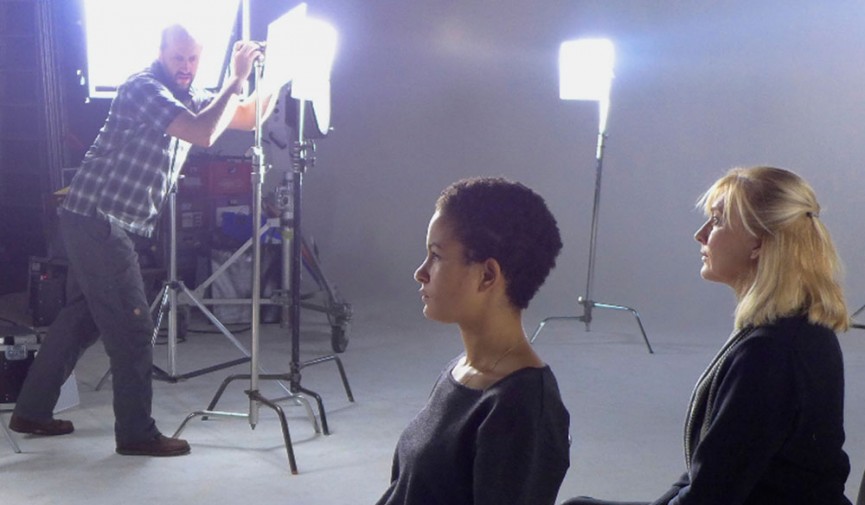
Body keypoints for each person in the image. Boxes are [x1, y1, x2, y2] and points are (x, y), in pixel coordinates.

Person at [8, 24, 266, 457]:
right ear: (161, 53)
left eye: (193, 59)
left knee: (81, 319)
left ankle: (31, 411)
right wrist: (237, 77)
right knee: (133, 328)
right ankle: (136, 434)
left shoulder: (189, 94)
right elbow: (203, 132)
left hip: (100, 219)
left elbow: (246, 116)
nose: (186, 66)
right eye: (178, 57)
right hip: (99, 219)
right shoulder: (144, 88)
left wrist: (274, 77)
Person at [563, 166, 852, 505]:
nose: (700, 235)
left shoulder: (771, 354)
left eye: (716, 221)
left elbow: (711, 496)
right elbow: (707, 473)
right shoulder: (788, 329)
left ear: (757, 242)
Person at [375, 177, 571, 505]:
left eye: (436, 256)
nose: (420, 272)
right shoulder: (460, 371)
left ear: (487, 275)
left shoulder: (522, 408)